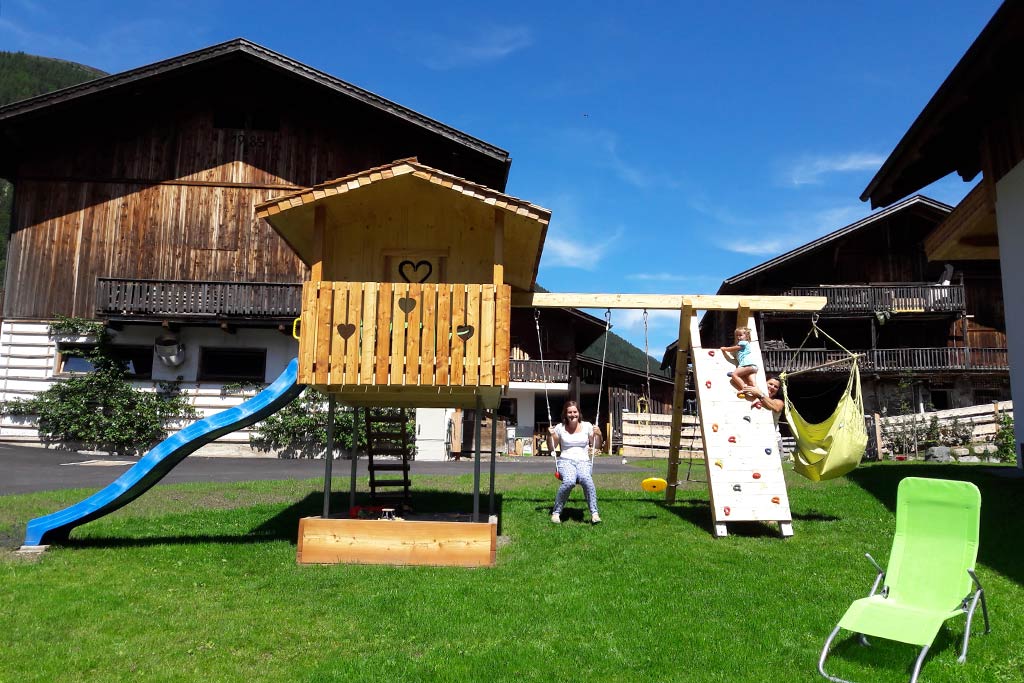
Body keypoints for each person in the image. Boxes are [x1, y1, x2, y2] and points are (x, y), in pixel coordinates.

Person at [548, 400, 602, 524]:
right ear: (565, 414)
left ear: (579, 413)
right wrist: (549, 435)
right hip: (565, 461)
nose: (573, 415)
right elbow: (552, 447)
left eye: (575, 412)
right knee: (569, 481)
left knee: (586, 480)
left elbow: (597, 445)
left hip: (583, 461)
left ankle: (594, 513)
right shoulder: (560, 427)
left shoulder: (587, 426)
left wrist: (599, 434)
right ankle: (556, 513)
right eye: (570, 412)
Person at [749, 375, 788, 460]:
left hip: (773, 440)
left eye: (776, 387)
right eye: (770, 384)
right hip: (756, 438)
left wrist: (760, 394)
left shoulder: (779, 402)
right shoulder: (753, 398)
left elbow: (776, 407)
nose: (772, 387)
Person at [721, 327, 758, 396]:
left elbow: (734, 348)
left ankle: (744, 388)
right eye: (737, 335)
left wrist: (725, 349)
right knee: (752, 383)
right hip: (753, 367)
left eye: (740, 335)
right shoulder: (746, 344)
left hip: (747, 364)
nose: (738, 337)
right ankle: (757, 396)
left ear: (746, 336)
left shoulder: (743, 342)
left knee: (734, 375)